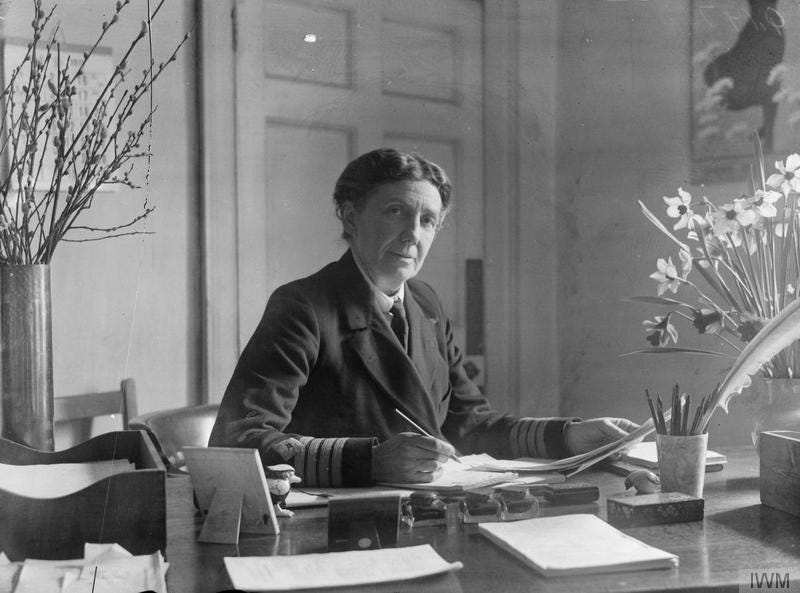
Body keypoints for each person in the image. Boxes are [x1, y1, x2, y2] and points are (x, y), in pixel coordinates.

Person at [209, 148, 638, 487]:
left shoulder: (426, 305)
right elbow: (238, 439)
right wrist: (372, 461)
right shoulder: (302, 306)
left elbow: (468, 424)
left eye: (428, 220)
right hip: (336, 522)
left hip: (426, 510)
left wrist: (569, 436)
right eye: (395, 211)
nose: (413, 234)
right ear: (351, 216)